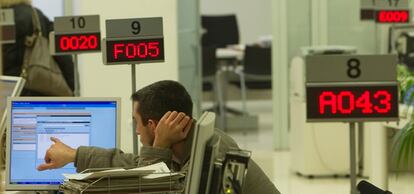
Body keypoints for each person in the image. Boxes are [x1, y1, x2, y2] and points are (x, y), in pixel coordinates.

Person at [37, 80, 280, 194]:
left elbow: (151, 188)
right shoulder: (192, 143)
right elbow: (131, 165)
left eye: (137, 122)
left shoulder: (213, 154)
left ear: (154, 125)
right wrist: (74, 155)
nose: (136, 131)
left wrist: (160, 144)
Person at [1, 0, 75, 96]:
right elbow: (62, 54)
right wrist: (72, 86)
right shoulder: (35, 15)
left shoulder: (4, 17)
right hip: (37, 86)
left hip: (7, 89)